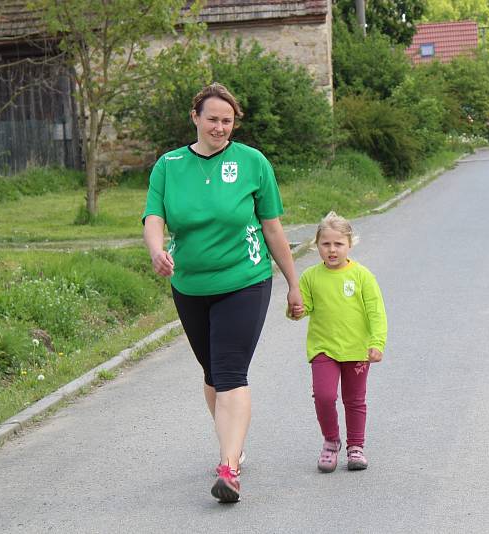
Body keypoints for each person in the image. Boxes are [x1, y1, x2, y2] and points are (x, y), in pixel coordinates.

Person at [142, 83, 302, 503]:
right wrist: (157, 251)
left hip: (245, 280)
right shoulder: (169, 165)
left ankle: (228, 468)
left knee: (230, 373)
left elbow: (272, 227)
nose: (219, 127)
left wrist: (293, 282)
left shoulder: (253, 163)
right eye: (212, 118)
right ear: (195, 117)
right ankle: (234, 446)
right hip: (190, 285)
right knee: (212, 374)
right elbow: (154, 216)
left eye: (227, 121)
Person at [289, 212, 387, 472]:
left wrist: (377, 342)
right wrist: (296, 310)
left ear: (349, 244)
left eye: (338, 244)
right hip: (324, 348)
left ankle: (356, 447)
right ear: (316, 245)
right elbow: (305, 307)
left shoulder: (362, 276)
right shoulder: (310, 276)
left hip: (356, 349)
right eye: (326, 244)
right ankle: (331, 441)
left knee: (354, 400)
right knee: (324, 395)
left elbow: (376, 311)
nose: (332, 250)